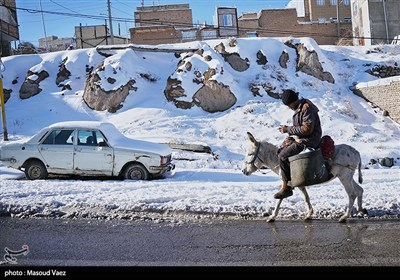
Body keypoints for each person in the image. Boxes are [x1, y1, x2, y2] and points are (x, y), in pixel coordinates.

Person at [274, 89, 322, 199]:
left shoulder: (307, 108)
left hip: (310, 140)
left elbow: (306, 130)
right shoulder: (300, 109)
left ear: (294, 101)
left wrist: (288, 130)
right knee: (281, 150)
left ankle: (287, 187)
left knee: (283, 156)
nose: (289, 107)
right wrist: (291, 136)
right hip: (303, 139)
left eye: (290, 105)